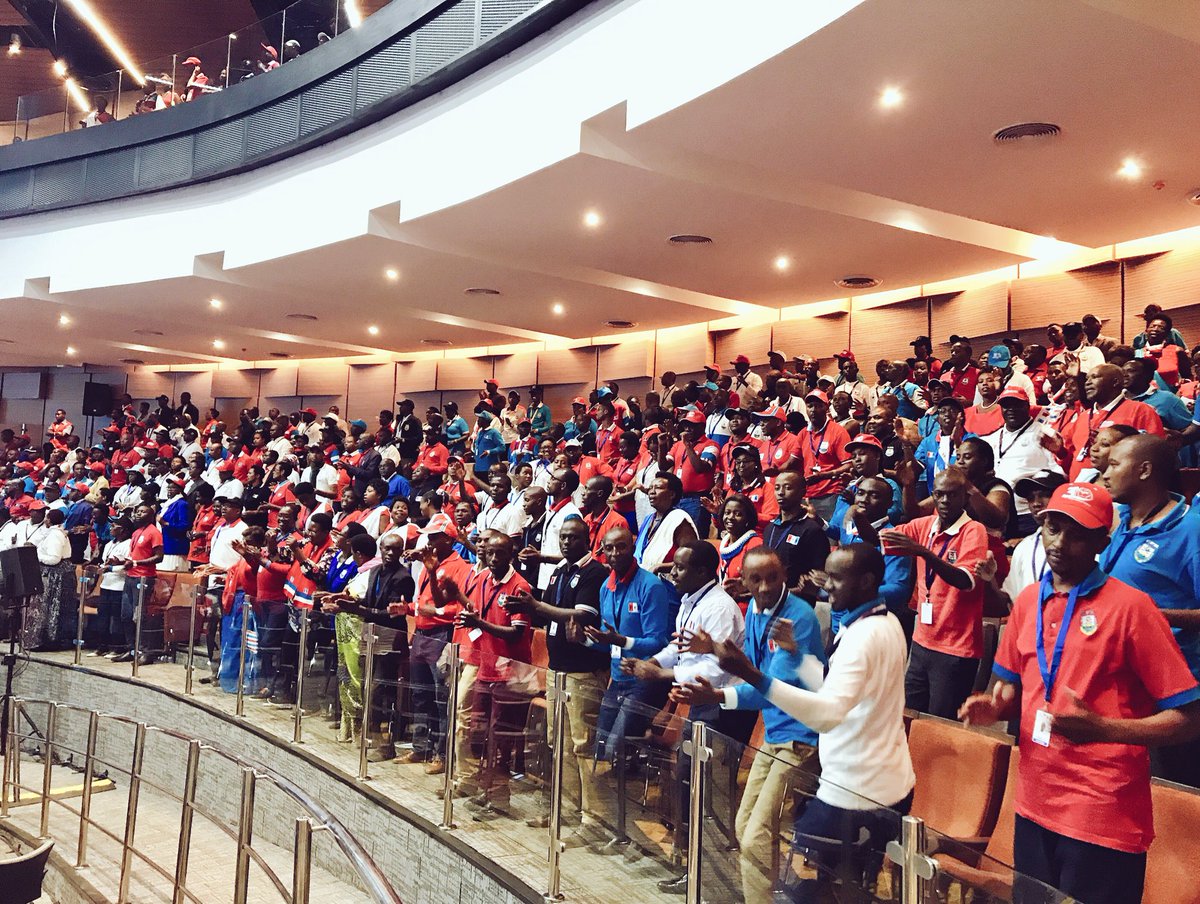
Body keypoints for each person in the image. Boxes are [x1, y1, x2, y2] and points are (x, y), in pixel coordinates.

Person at [960, 482, 1200, 904]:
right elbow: (1009, 687)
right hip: (1033, 804)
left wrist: (1104, 729)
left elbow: (1189, 718)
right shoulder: (1028, 602)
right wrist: (994, 707)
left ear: (1101, 544)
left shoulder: (1133, 608)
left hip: (1102, 815)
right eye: (1053, 529)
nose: (1059, 543)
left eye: (1076, 535)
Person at [704, 545, 915, 904]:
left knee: (808, 885)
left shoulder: (864, 637)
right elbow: (832, 689)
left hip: (859, 791)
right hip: (862, 783)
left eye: (835, 578)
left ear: (866, 582)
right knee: (823, 884)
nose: (825, 585)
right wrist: (796, 656)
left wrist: (751, 675)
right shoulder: (882, 622)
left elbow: (826, 714)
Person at [672, 546, 824, 904]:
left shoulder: (798, 618)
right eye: (756, 579)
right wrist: (713, 650)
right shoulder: (756, 611)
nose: (766, 587)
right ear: (743, 582)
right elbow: (752, 671)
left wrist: (716, 696)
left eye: (773, 578)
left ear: (784, 575)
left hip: (802, 739)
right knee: (744, 826)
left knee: (757, 835)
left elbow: (771, 689)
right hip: (775, 734)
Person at [619, 541, 747, 891]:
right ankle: (694, 867)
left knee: (707, 792)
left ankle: (712, 877)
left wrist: (662, 674)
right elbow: (679, 649)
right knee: (688, 783)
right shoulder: (692, 600)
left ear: (703, 571)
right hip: (701, 703)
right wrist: (652, 662)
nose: (672, 572)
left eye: (680, 567)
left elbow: (716, 670)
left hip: (722, 708)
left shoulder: (719, 607)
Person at [1097, 434, 1200, 786]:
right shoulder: (1120, 521)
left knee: (1169, 793)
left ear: (1144, 470)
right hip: (1121, 684)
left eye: (1114, 464)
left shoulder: (1190, 530)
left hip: (1171, 694)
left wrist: (1151, 615)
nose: (1105, 472)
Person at [502, 519, 609, 833]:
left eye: (573, 537)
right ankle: (566, 812)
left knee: (582, 746)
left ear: (586, 540)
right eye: (562, 537)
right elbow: (545, 609)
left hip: (583, 672)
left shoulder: (594, 572)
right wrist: (527, 605)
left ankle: (592, 820)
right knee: (558, 744)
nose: (566, 542)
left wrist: (535, 605)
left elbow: (581, 615)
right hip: (556, 669)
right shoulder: (560, 571)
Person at [581, 525, 675, 851]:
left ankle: (637, 836)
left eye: (621, 547)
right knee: (601, 755)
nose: (615, 553)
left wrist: (620, 640)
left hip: (644, 681)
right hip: (617, 679)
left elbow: (658, 640)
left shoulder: (651, 586)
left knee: (617, 750)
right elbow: (608, 642)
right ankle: (618, 827)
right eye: (609, 548)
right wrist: (585, 640)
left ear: (632, 547)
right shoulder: (606, 587)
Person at [881, 467, 989, 718]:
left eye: (952, 494)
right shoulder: (925, 524)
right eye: (939, 494)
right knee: (907, 715)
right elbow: (880, 539)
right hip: (922, 640)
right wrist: (859, 514)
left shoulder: (974, 530)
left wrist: (923, 552)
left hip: (956, 647)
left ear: (964, 496)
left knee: (939, 723)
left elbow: (964, 580)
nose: (944, 500)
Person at [394, 513, 473, 774]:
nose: (429, 542)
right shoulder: (429, 563)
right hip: (421, 634)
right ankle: (420, 747)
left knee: (441, 698)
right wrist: (407, 608)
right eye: (428, 537)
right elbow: (423, 602)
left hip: (442, 635)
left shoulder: (460, 566)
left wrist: (435, 612)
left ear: (448, 540)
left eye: (435, 537)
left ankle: (441, 753)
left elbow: (460, 607)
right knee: (420, 694)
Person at [1063, 363, 1163, 479]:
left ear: (1115, 382)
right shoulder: (1083, 416)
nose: (1087, 383)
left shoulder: (1140, 410)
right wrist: (1060, 451)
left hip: (1119, 486)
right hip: (1078, 487)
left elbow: (1156, 456)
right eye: (1087, 379)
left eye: (1095, 377)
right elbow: (1070, 460)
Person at [985, 387, 1064, 535]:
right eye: (1006, 405)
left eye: (1017, 404)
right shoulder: (992, 438)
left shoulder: (1045, 433)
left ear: (1027, 406)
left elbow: (1060, 474)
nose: (1011, 409)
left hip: (1030, 513)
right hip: (1000, 514)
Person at [761, 470, 830, 592]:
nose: (781, 493)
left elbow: (818, 576)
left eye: (788, 488)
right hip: (769, 595)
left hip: (797, 599)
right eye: (777, 488)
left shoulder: (812, 530)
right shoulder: (769, 528)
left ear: (802, 492)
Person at [113, 503, 164, 665]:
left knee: (139, 616)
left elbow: (159, 557)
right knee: (126, 615)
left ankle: (145, 652)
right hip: (130, 576)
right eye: (137, 511)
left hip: (144, 578)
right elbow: (134, 556)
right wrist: (122, 561)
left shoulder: (154, 532)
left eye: (142, 512)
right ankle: (131, 649)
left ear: (150, 516)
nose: (137, 514)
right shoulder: (136, 532)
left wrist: (136, 563)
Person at [797, 389, 851, 521]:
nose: (813, 410)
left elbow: (849, 464)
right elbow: (795, 462)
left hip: (830, 493)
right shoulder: (803, 433)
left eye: (818, 406)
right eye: (810, 406)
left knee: (828, 532)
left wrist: (824, 475)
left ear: (826, 407)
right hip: (807, 494)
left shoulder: (838, 432)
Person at [634, 473, 697, 576]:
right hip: (642, 578)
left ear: (672, 494)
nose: (652, 492)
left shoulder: (679, 519)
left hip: (669, 581)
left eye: (658, 488)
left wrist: (660, 567)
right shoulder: (648, 519)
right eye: (650, 488)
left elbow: (691, 558)